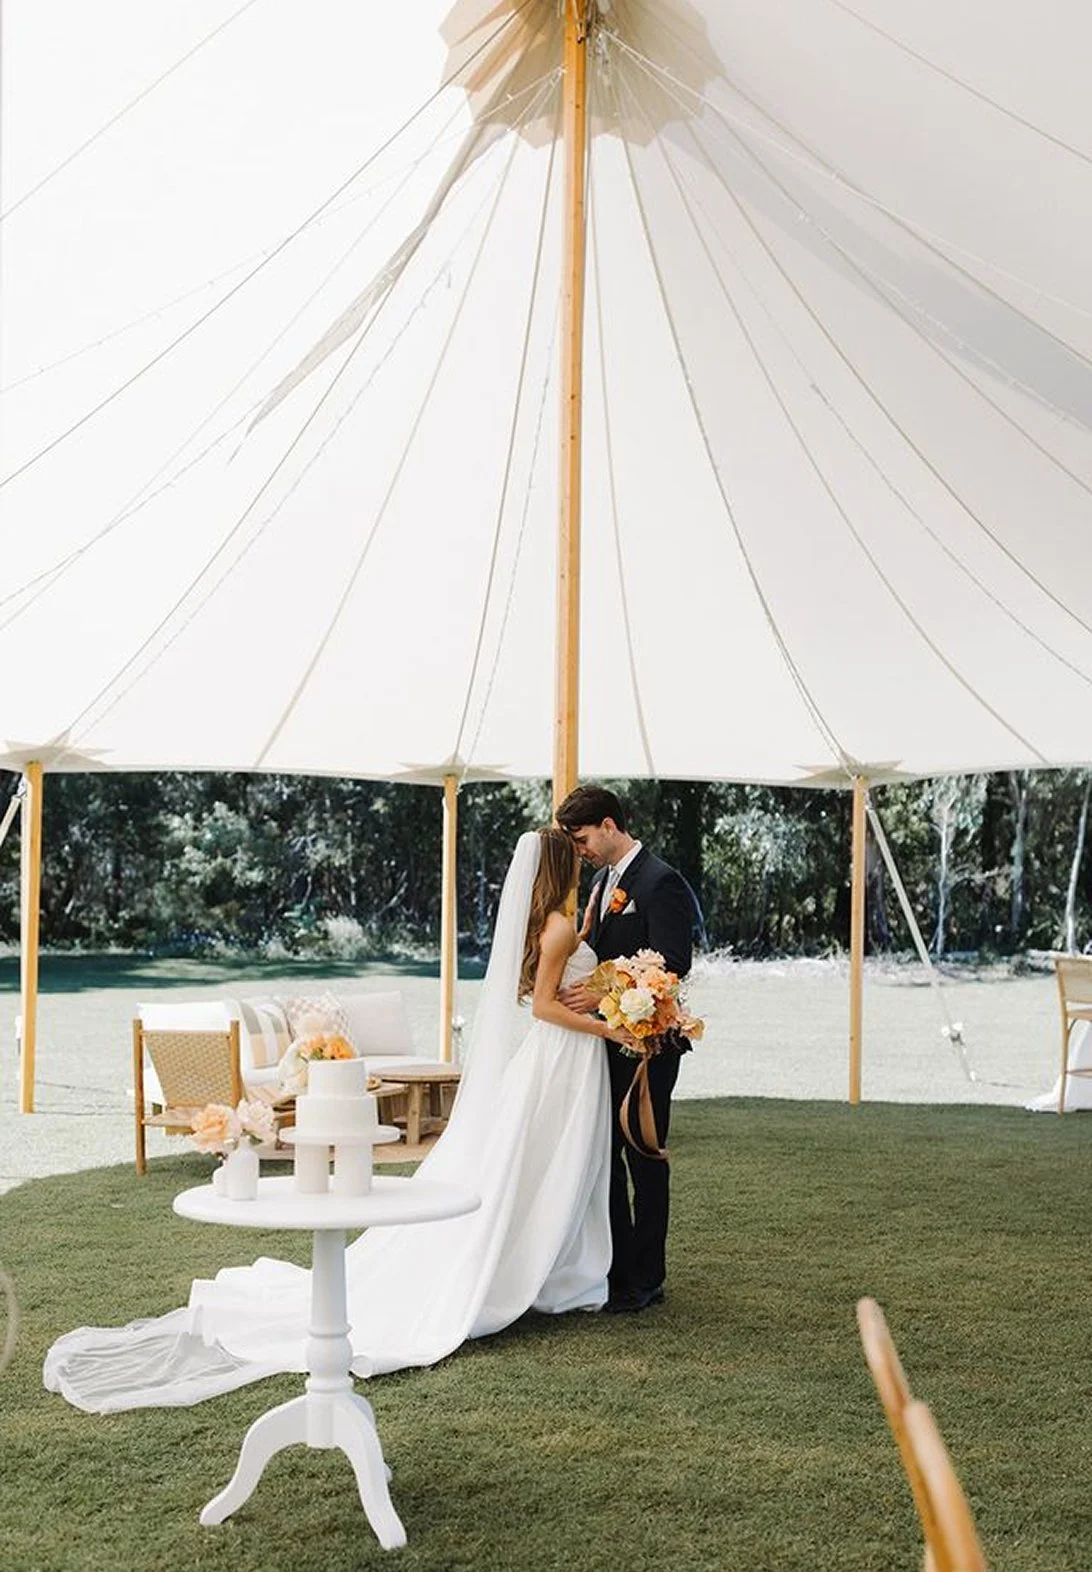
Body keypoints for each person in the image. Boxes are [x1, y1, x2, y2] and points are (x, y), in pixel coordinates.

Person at [45, 829, 637, 1413]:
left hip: (562, 1059)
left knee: (558, 1161)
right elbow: (543, 1005)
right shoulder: (556, 927)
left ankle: (563, 1269)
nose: (585, 861)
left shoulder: (556, 924)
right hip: (565, 1056)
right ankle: (549, 1273)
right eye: (577, 856)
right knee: (551, 1161)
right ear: (563, 866)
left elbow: (557, 981)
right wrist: (612, 1024)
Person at [555, 786, 693, 1315]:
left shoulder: (662, 882)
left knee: (644, 1153)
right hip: (605, 1042)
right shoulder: (600, 882)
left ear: (609, 826)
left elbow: (673, 963)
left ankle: (647, 1278)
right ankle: (614, 1268)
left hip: (650, 1045)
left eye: (585, 838)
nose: (582, 850)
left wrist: (602, 988)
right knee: (604, 1158)